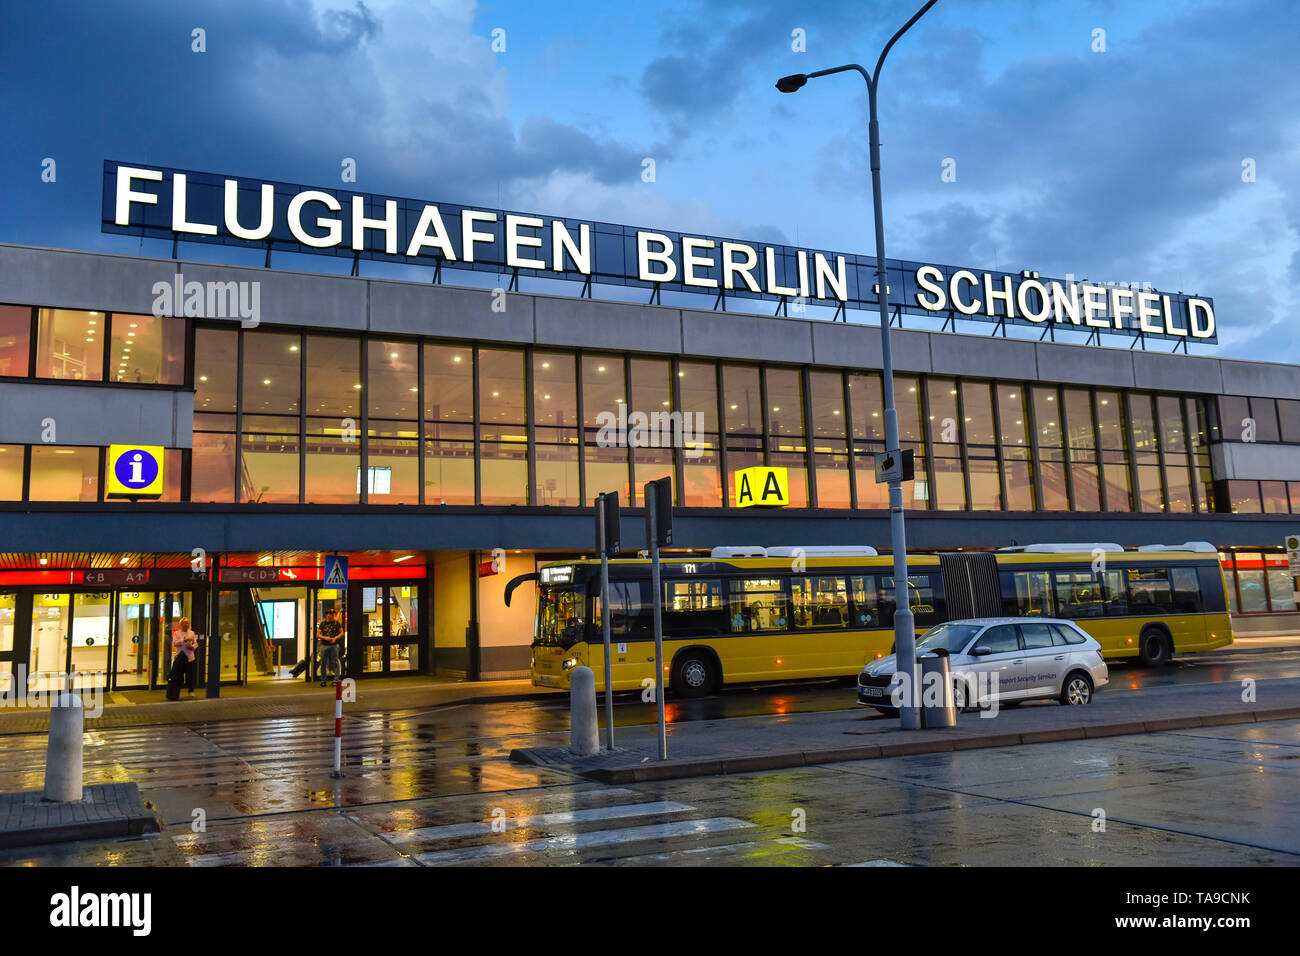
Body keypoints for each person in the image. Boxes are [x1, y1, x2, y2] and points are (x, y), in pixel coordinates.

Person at [170, 618, 199, 698]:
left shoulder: (192, 633)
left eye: (187, 623)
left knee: (190, 675)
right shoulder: (176, 633)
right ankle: (176, 691)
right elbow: (175, 644)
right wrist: (184, 640)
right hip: (180, 658)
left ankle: (191, 690)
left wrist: (192, 647)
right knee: (179, 675)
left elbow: (196, 643)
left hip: (190, 657)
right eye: (185, 623)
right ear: (181, 624)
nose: (186, 625)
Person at [317, 609, 343, 686]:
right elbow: (318, 634)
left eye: (332, 614)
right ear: (326, 615)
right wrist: (325, 637)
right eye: (329, 614)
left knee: (335, 662)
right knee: (323, 663)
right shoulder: (323, 623)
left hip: (334, 645)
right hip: (324, 645)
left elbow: (342, 632)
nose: (331, 615)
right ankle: (323, 680)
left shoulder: (337, 623)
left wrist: (335, 638)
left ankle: (336, 680)